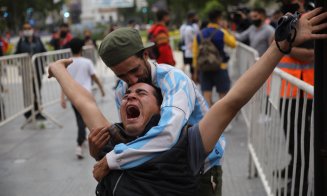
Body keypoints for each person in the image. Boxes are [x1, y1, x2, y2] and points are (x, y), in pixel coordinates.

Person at [47, 7, 327, 195]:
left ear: (146, 55)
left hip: (199, 168)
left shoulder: (185, 132)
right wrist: (104, 149)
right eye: (124, 80)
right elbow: (88, 106)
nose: (131, 86)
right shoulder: (121, 136)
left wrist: (279, 48)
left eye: (138, 81)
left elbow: (228, 103)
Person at [61, 38, 105, 159]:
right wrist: (101, 88)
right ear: (82, 48)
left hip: (73, 96)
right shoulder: (87, 62)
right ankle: (79, 145)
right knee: (84, 121)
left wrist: (63, 98)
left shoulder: (67, 63)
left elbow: (64, 82)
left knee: (81, 119)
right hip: (86, 96)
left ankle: (83, 139)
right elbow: (94, 77)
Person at [193, 9, 237, 107]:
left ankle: (208, 117)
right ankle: (221, 117)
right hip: (220, 67)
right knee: (223, 95)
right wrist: (226, 29)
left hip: (204, 68)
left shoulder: (199, 34)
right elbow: (233, 44)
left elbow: (195, 54)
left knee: (206, 95)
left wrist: (196, 72)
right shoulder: (221, 32)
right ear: (218, 19)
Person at [15, 22, 47, 120]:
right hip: (26, 70)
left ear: (32, 29)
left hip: (37, 69)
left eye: (29, 28)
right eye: (25, 29)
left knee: (37, 90)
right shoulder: (21, 41)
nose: (27, 30)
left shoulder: (37, 40)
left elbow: (44, 51)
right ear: (23, 30)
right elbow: (17, 54)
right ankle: (28, 112)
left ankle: (38, 112)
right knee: (28, 92)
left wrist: (42, 62)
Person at [179, 11, 200, 80]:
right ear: (192, 17)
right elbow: (197, 38)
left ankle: (182, 78)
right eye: (195, 16)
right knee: (193, 68)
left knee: (186, 64)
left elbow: (182, 38)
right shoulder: (192, 27)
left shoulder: (183, 27)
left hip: (186, 49)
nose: (197, 17)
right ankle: (194, 83)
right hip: (192, 50)